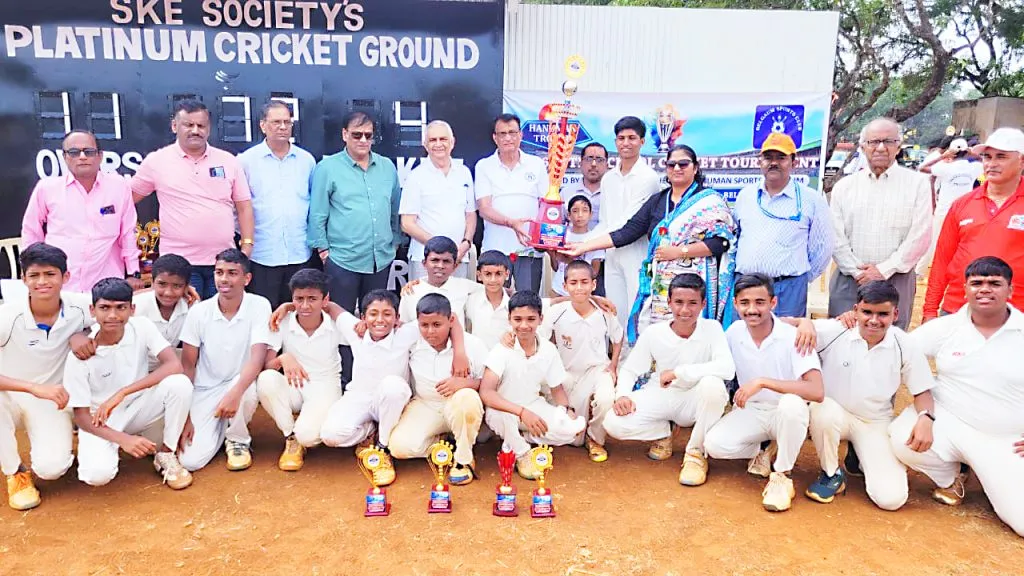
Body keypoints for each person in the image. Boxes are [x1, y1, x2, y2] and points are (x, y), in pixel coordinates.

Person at [890, 256, 1024, 537]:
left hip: (1006, 439)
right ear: (965, 289)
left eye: (994, 283)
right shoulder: (947, 327)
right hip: (950, 421)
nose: (984, 289)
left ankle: (992, 478)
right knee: (903, 438)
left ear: (1010, 290)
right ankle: (953, 478)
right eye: (977, 283)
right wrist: (925, 414)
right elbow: (899, 349)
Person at [565, 144, 736, 343]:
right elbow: (628, 232)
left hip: (696, 285)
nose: (677, 168)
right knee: (660, 335)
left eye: (683, 164)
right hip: (661, 285)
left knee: (693, 336)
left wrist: (679, 252)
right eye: (672, 164)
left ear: (695, 168)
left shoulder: (709, 201)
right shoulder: (658, 201)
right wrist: (583, 246)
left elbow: (720, 243)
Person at [789, 281, 934, 509]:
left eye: (882, 314)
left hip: (874, 422)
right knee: (821, 408)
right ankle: (831, 473)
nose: (874, 320)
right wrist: (803, 322)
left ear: (895, 314)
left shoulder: (905, 344)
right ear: (855, 310)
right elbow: (777, 325)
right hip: (833, 413)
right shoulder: (838, 330)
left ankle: (859, 455)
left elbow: (922, 390)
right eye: (867, 312)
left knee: (891, 499)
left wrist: (926, 418)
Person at [704, 274, 824, 512]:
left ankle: (782, 475)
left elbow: (816, 390)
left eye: (760, 302)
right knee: (714, 445)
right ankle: (763, 450)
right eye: (745, 303)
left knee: (791, 404)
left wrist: (762, 382)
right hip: (754, 410)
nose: (752, 309)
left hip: (787, 412)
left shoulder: (794, 336)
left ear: (773, 303)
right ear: (735, 304)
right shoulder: (734, 332)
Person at [604, 274, 733, 486]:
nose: (685, 310)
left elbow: (727, 368)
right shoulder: (654, 333)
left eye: (692, 303)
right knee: (613, 422)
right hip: (661, 394)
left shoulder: (712, 329)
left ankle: (695, 454)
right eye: (679, 302)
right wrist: (623, 395)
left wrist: (679, 373)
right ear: (669, 302)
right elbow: (630, 369)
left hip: (695, 398)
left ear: (703, 304)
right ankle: (664, 432)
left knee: (714, 387)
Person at [65, 278, 193, 490]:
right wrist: (123, 439)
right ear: (92, 310)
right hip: (102, 419)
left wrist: (123, 393)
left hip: (140, 406)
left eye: (121, 308)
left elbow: (173, 365)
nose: (113, 315)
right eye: (104, 308)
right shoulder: (80, 354)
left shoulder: (141, 326)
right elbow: (82, 417)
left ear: (132, 309)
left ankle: (167, 454)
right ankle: (110, 446)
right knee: (97, 475)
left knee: (179, 384)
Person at [318, 290, 455, 487]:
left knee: (392, 386)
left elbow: (452, 320)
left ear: (398, 318)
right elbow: (331, 307)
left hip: (394, 400)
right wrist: (286, 306)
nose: (380, 320)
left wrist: (459, 353)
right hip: (359, 397)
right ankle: (369, 434)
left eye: (387, 314)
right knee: (330, 435)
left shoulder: (407, 332)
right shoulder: (355, 330)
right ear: (363, 317)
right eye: (373, 314)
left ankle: (382, 448)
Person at [307, 111, 401, 384]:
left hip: (379, 259)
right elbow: (318, 214)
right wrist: (324, 252)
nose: (363, 140)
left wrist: (394, 242)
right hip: (342, 260)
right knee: (343, 325)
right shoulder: (328, 168)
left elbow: (395, 208)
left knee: (378, 323)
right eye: (357, 134)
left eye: (368, 135)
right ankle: (344, 380)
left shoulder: (386, 168)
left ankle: (374, 379)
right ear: (344, 135)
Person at [131, 99, 255, 299]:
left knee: (220, 321)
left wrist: (247, 246)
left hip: (222, 264)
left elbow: (244, 206)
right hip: (180, 265)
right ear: (174, 126)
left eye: (201, 125)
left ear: (209, 128)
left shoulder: (228, 160)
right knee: (187, 323)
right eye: (188, 125)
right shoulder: (157, 161)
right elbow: (127, 200)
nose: (195, 130)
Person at [0, 244, 91, 510]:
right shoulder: (7, 316)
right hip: (10, 396)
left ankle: (67, 443)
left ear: (66, 277)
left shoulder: (80, 306)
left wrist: (176, 293)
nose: (42, 282)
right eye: (34, 275)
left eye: (50, 274)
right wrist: (33, 387)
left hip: (52, 401)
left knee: (52, 468)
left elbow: (127, 301)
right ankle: (14, 473)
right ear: (23, 279)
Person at [828, 117, 932, 329]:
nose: (881, 148)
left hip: (897, 278)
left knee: (889, 345)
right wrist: (858, 273)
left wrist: (884, 270)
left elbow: (921, 235)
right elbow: (835, 236)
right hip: (850, 279)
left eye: (889, 141)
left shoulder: (917, 184)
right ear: (862, 146)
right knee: (841, 341)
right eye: (874, 142)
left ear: (899, 146)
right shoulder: (844, 187)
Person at [178, 249, 271, 472]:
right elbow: (188, 365)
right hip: (205, 388)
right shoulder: (199, 312)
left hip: (241, 384)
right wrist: (185, 415)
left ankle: (237, 439)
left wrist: (234, 394)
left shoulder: (259, 305)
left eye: (232, 273)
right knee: (191, 461)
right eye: (219, 272)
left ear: (246, 278)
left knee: (245, 389)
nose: (224, 279)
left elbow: (257, 359)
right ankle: (221, 427)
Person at [480, 290, 585, 478]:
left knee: (571, 430)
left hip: (533, 405)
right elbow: (487, 393)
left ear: (540, 319)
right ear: (509, 319)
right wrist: (521, 412)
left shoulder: (548, 349)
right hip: (503, 409)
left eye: (530, 319)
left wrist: (566, 409)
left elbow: (556, 388)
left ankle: (516, 439)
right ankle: (522, 453)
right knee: (500, 417)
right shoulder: (502, 349)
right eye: (517, 319)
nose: (524, 325)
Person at [22, 130, 142, 293]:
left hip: (106, 282)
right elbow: (31, 231)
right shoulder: (47, 188)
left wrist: (133, 272)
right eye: (74, 152)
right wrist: (33, 272)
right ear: (64, 157)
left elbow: (128, 232)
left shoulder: (119, 186)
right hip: (61, 282)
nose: (82, 156)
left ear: (100, 156)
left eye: (89, 151)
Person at [923, 128, 1024, 320]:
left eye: (1001, 157)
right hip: (958, 310)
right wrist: (929, 310)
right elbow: (942, 261)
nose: (991, 164)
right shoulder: (962, 205)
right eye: (987, 157)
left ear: (1022, 161)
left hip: (1016, 316)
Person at [389, 294, 489, 485]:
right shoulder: (411, 340)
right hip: (425, 404)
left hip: (457, 404)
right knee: (399, 447)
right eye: (424, 325)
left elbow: (490, 384)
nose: (430, 332)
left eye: (437, 325)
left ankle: (464, 460)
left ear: (450, 321)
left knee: (467, 398)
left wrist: (465, 383)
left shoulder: (472, 345)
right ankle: (446, 444)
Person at [732, 133, 833, 317]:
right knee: (742, 342)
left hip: (788, 290)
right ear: (759, 161)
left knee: (786, 342)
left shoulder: (811, 200)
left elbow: (822, 249)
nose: (774, 163)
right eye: (768, 157)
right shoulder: (745, 196)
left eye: (781, 158)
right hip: (746, 287)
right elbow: (736, 239)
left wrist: (799, 279)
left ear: (794, 162)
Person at [255, 269, 343, 471]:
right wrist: (283, 358)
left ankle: (303, 431)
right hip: (293, 384)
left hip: (325, 385)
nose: (305, 305)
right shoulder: (282, 321)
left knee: (309, 437)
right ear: (292, 298)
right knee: (267, 379)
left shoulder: (336, 323)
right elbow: (267, 366)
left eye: (312, 299)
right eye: (299, 299)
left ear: (325, 299)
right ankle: (290, 437)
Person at [536, 260, 623, 462]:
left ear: (593, 285)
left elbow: (618, 339)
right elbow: (540, 340)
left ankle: (596, 439)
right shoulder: (556, 312)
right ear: (565, 286)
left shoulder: (604, 313)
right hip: (565, 372)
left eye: (585, 282)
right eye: (573, 283)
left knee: (606, 398)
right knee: (573, 437)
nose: (579, 287)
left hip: (596, 370)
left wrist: (613, 366)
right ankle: (579, 435)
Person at [237, 101, 317, 309]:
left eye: (287, 122)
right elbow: (237, 206)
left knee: (296, 316)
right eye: (276, 122)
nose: (282, 127)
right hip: (263, 255)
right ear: (263, 125)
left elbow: (313, 203)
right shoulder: (247, 161)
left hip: (299, 253)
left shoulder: (306, 160)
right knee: (265, 317)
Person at [592, 117, 662, 329]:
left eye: (632, 138)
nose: (626, 143)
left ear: (642, 141)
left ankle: (638, 361)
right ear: (615, 142)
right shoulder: (608, 178)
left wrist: (585, 245)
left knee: (638, 313)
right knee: (615, 313)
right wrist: (573, 242)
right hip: (611, 253)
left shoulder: (648, 178)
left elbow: (628, 224)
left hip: (636, 253)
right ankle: (618, 361)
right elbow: (605, 221)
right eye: (621, 138)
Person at [475, 113, 547, 293]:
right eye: (502, 133)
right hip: (495, 249)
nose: (508, 138)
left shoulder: (536, 164)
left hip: (528, 249)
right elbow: (484, 209)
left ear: (521, 135)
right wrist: (512, 223)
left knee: (528, 304)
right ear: (495, 138)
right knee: (492, 305)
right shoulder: (484, 166)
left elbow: (546, 205)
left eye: (512, 132)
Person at [400, 120, 477, 280]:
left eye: (443, 139)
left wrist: (465, 244)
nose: (438, 144)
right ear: (425, 145)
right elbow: (407, 223)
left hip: (458, 258)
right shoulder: (416, 176)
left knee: (456, 304)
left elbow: (470, 214)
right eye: (433, 140)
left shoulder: (464, 173)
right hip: (425, 259)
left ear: (452, 142)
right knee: (424, 304)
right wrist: (440, 248)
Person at [916, 137, 984, 276]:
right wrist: (973, 153)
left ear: (951, 151)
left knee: (934, 241)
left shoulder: (945, 168)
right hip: (965, 211)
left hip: (944, 210)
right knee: (962, 242)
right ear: (966, 151)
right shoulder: (973, 167)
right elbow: (984, 162)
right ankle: (961, 273)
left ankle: (919, 271)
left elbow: (922, 168)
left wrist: (942, 157)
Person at [399, 236, 480, 327]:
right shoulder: (411, 291)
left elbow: (493, 288)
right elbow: (402, 325)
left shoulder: (465, 287)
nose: (440, 266)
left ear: (455, 266)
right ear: (424, 263)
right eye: (435, 260)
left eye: (446, 261)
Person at [132, 254, 192, 370]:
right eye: (162, 284)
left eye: (177, 286)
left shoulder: (191, 306)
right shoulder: (136, 305)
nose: (168, 292)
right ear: (152, 283)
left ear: (186, 288)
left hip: (164, 369)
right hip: (133, 371)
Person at [551, 196, 603, 297]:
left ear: (591, 214)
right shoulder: (562, 235)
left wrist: (570, 261)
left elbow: (594, 272)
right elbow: (556, 267)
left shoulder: (595, 239)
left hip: (581, 293)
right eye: (575, 211)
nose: (580, 215)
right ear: (569, 215)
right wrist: (552, 254)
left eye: (585, 210)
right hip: (558, 291)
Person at [465, 250, 514, 349]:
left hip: (505, 359)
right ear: (479, 275)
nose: (493, 280)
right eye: (487, 274)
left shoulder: (513, 305)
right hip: (478, 360)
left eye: (498, 274)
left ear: (507, 274)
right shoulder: (471, 301)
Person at [560, 142, 607, 229]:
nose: (593, 164)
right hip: (573, 242)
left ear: (606, 165)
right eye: (589, 159)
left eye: (599, 159)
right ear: (581, 164)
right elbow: (557, 226)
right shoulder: (566, 192)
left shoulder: (613, 193)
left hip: (605, 242)